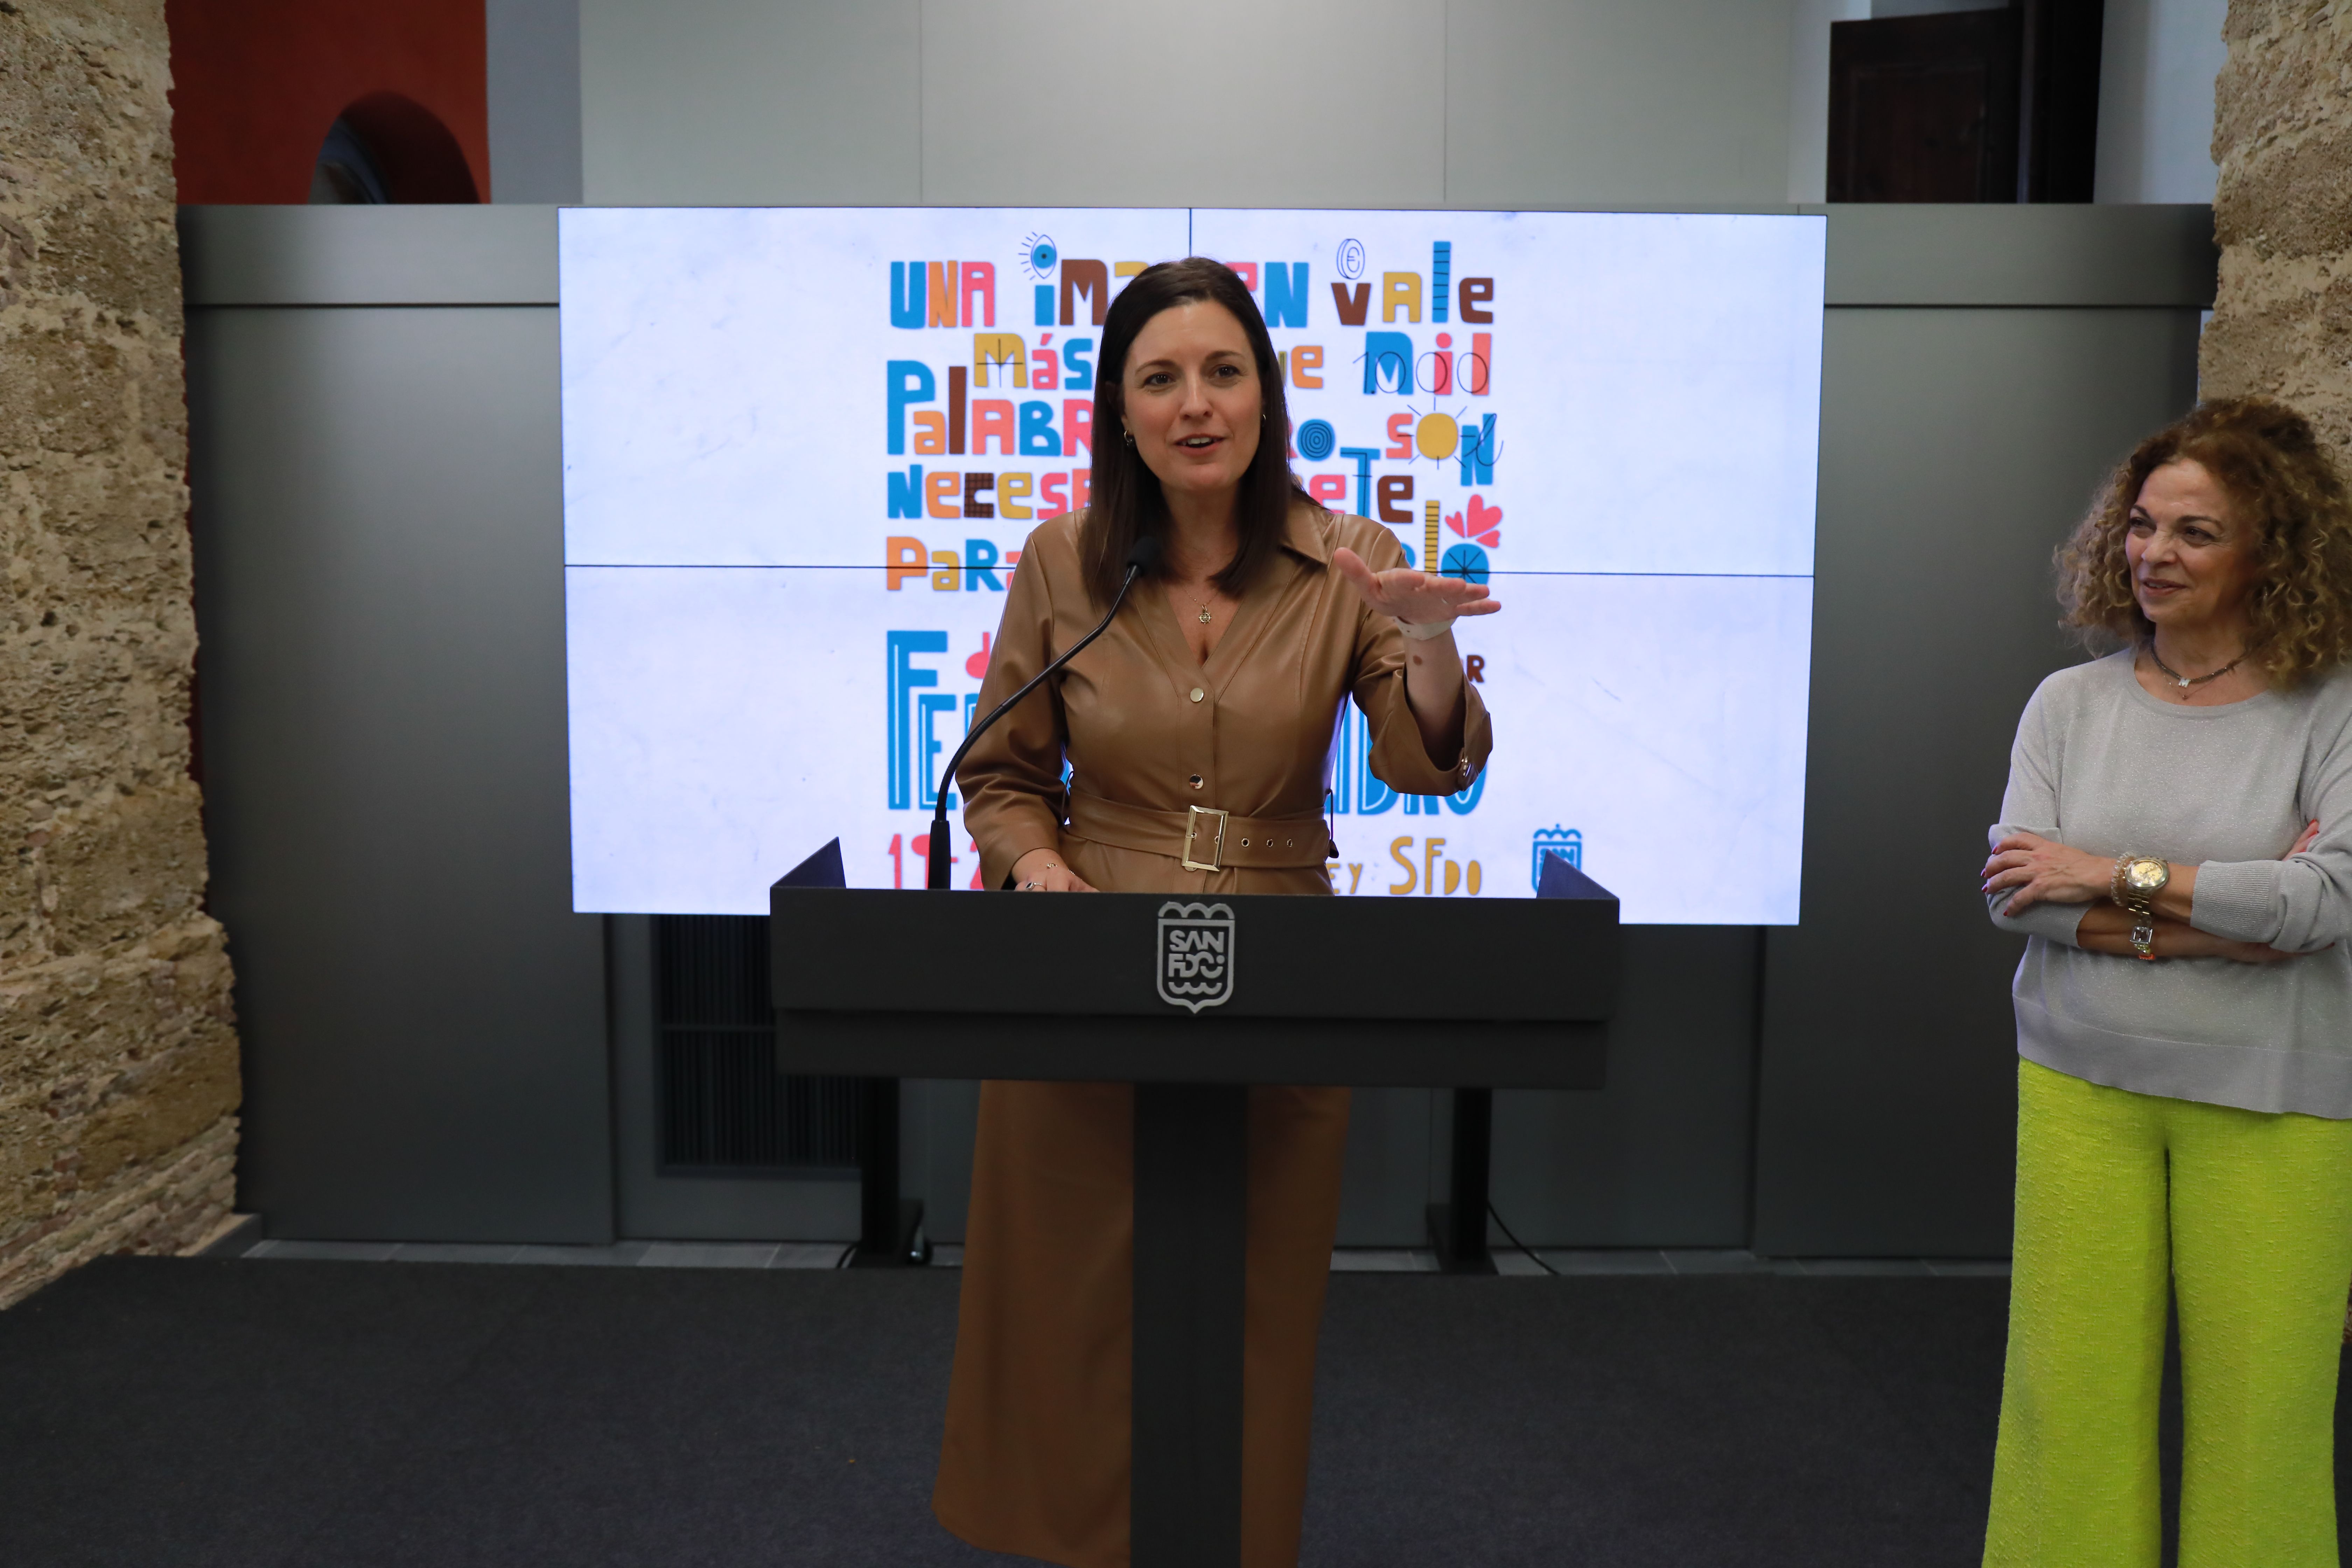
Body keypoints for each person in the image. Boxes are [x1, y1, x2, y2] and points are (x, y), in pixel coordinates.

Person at [929, 258, 1496, 1568]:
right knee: (1074, 1314)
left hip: (1276, 973)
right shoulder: (1062, 565)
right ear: (1119, 410)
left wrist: (1425, 644)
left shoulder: (1352, 559)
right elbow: (1005, 777)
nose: (1198, 405)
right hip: (1087, 972)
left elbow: (1429, 764)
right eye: (1162, 378)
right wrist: (1036, 871)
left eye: (1224, 372)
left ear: (1265, 397)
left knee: (1243, 1310)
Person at [1977, 396, 2352, 1566]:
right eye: (2142, 525)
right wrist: (2209, 915)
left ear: (2272, 553)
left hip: (2277, 1106)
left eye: (2197, 533)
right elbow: (2014, 898)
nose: (2153, 554)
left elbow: (2324, 906)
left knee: (2262, 1436)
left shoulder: (2331, 709)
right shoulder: (2068, 706)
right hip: (2079, 1083)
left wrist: (2108, 875)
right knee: (2065, 1415)